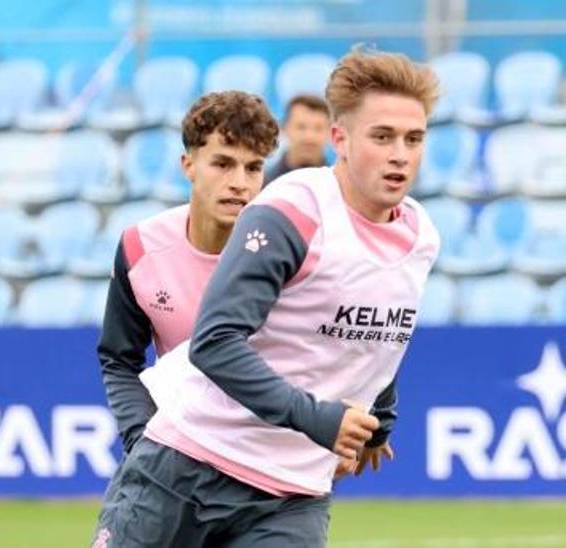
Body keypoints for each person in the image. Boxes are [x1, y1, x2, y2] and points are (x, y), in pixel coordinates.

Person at [96, 46, 441, 548]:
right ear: (339, 139)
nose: (399, 154)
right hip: (187, 466)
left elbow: (377, 335)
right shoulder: (291, 211)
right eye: (382, 136)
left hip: (291, 496)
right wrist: (319, 419)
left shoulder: (421, 235)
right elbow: (214, 341)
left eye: (414, 139)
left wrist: (379, 422)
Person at [96, 90, 279, 458]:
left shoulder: (290, 252)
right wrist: (142, 438)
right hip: (179, 455)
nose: (239, 182)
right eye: (223, 164)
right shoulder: (140, 247)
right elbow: (119, 359)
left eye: (253, 167)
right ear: (188, 165)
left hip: (270, 459)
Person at [265, 94, 331, 183]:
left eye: (318, 128)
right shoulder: (264, 186)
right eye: (301, 127)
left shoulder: (341, 187)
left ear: (330, 133)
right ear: (284, 129)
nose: (309, 136)